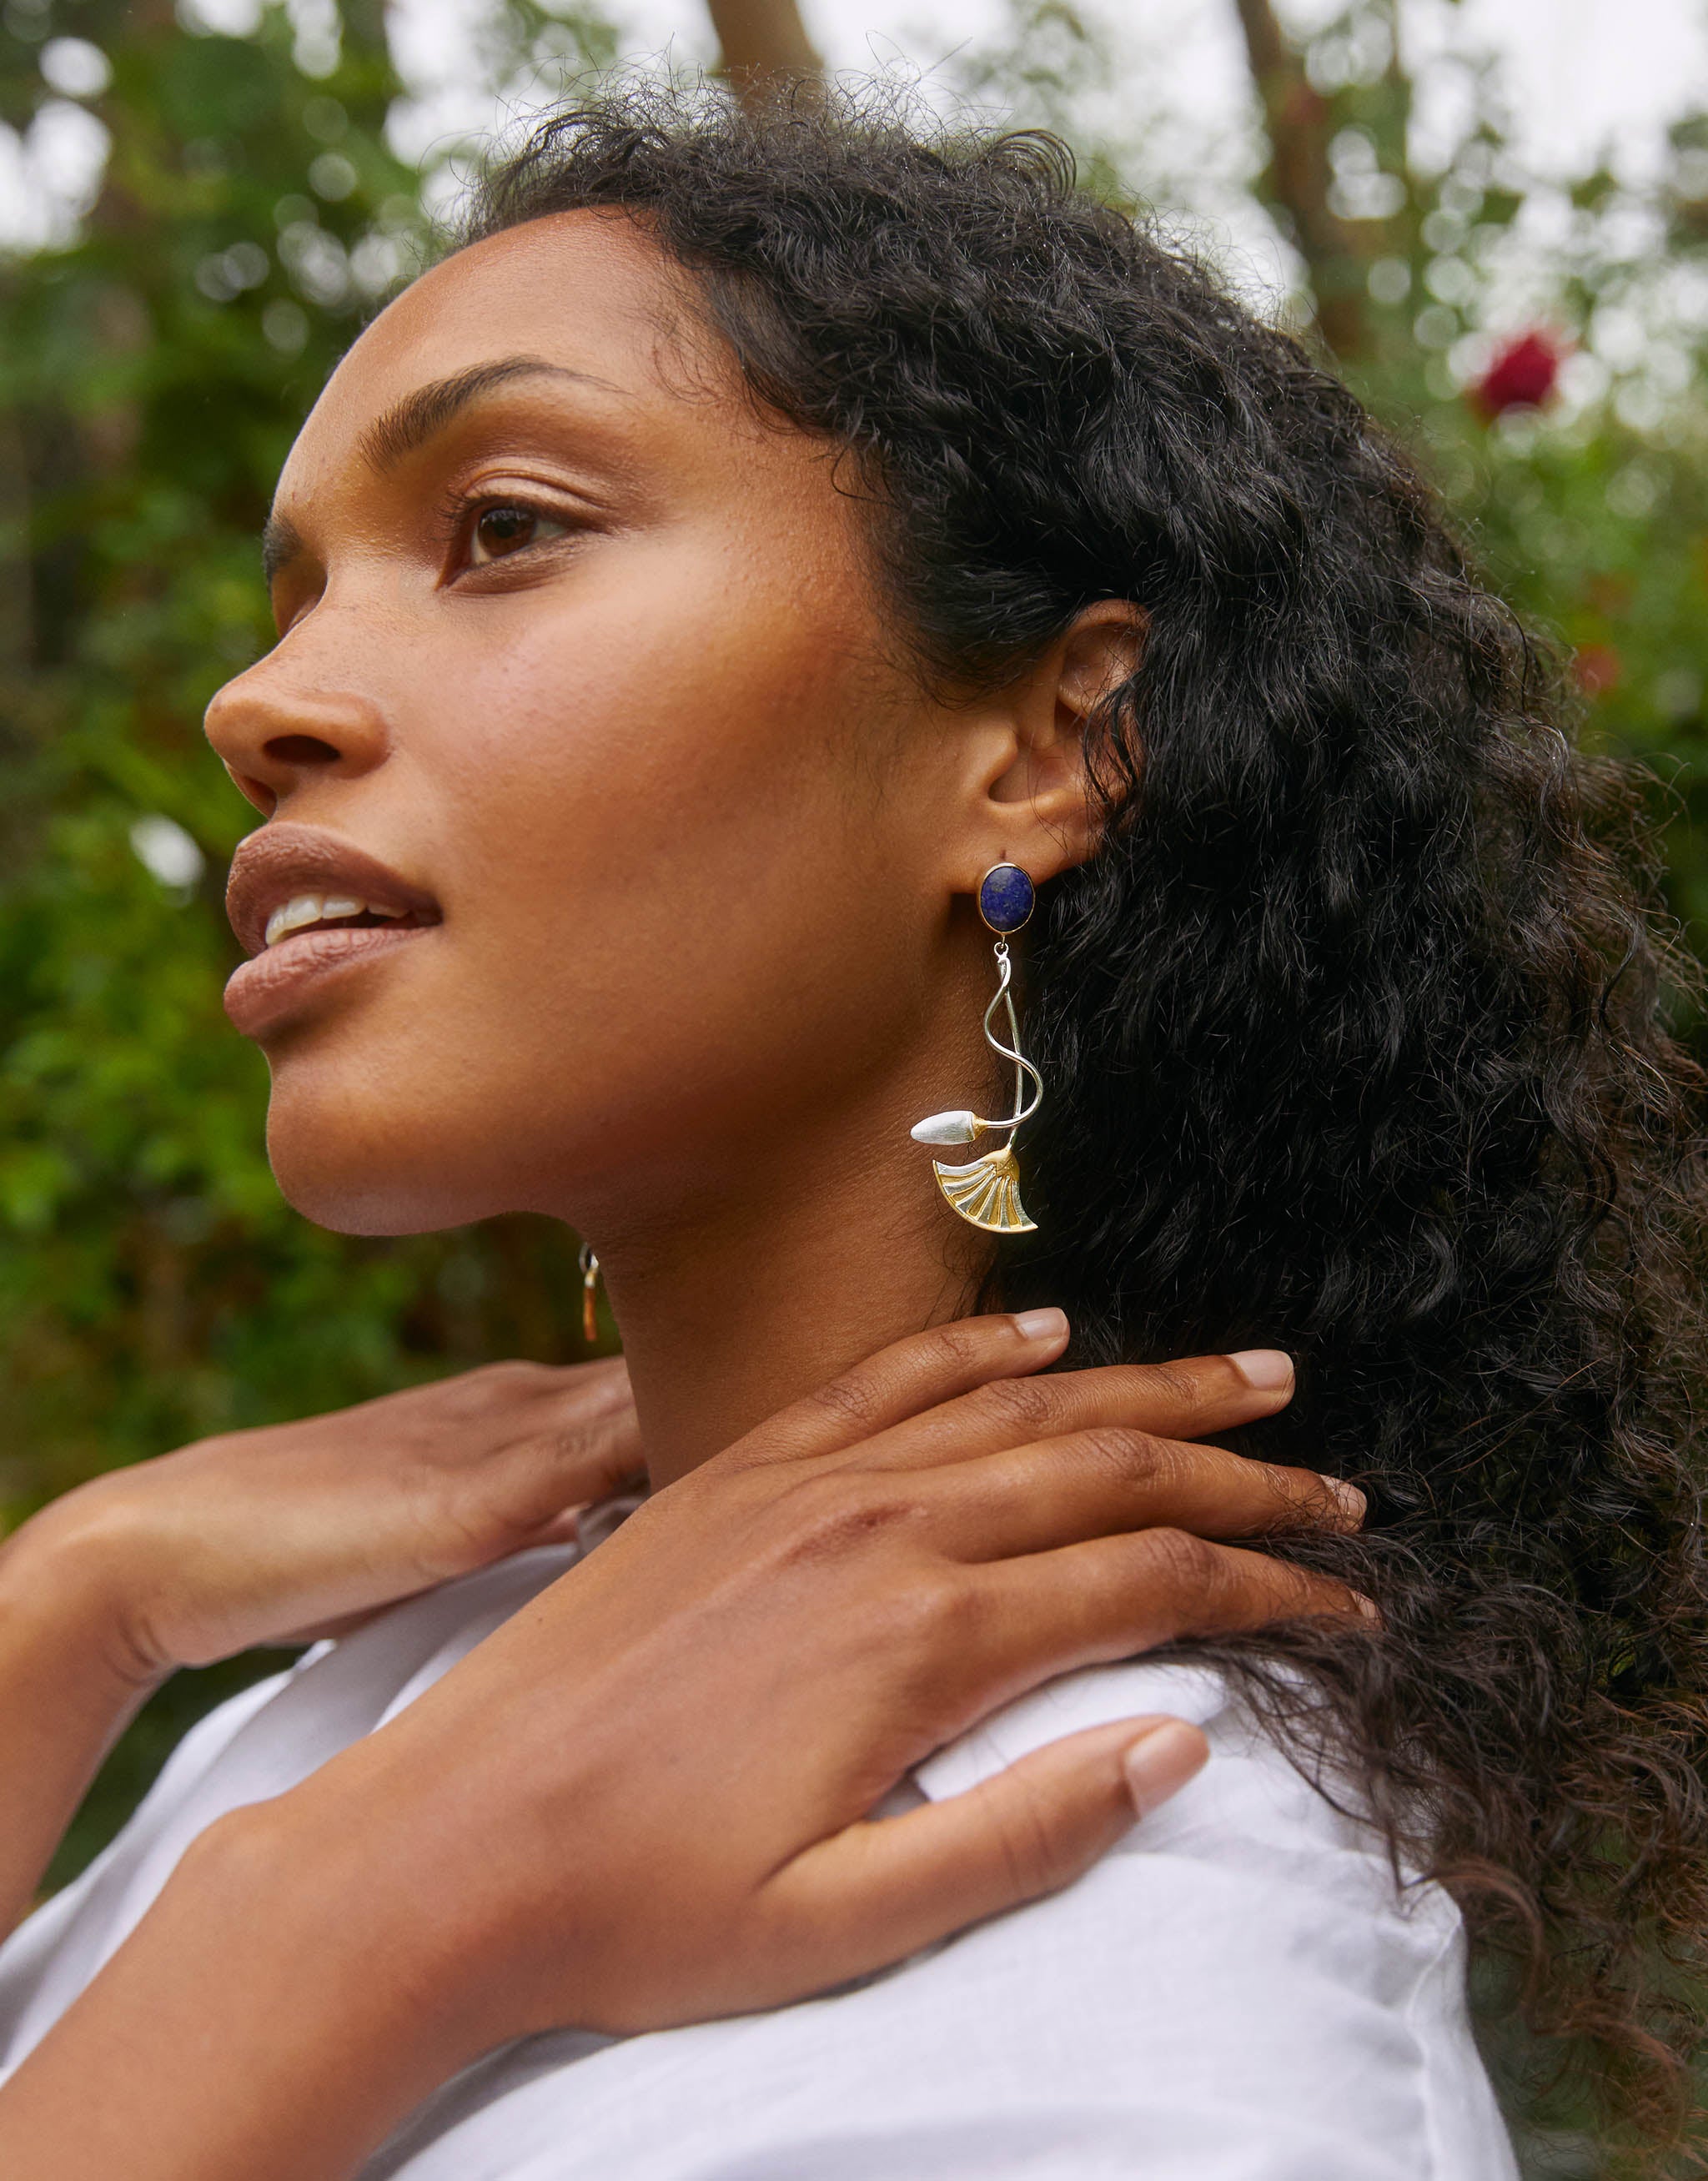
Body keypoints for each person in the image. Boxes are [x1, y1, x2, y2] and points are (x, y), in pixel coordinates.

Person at [0, 81, 1702, 2178]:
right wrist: (75, 1608)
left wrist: (329, 1932)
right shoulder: (407, 1685)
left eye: (504, 528)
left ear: (1039, 749)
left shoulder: (1125, 1970)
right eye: (296, 593)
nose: (257, 703)